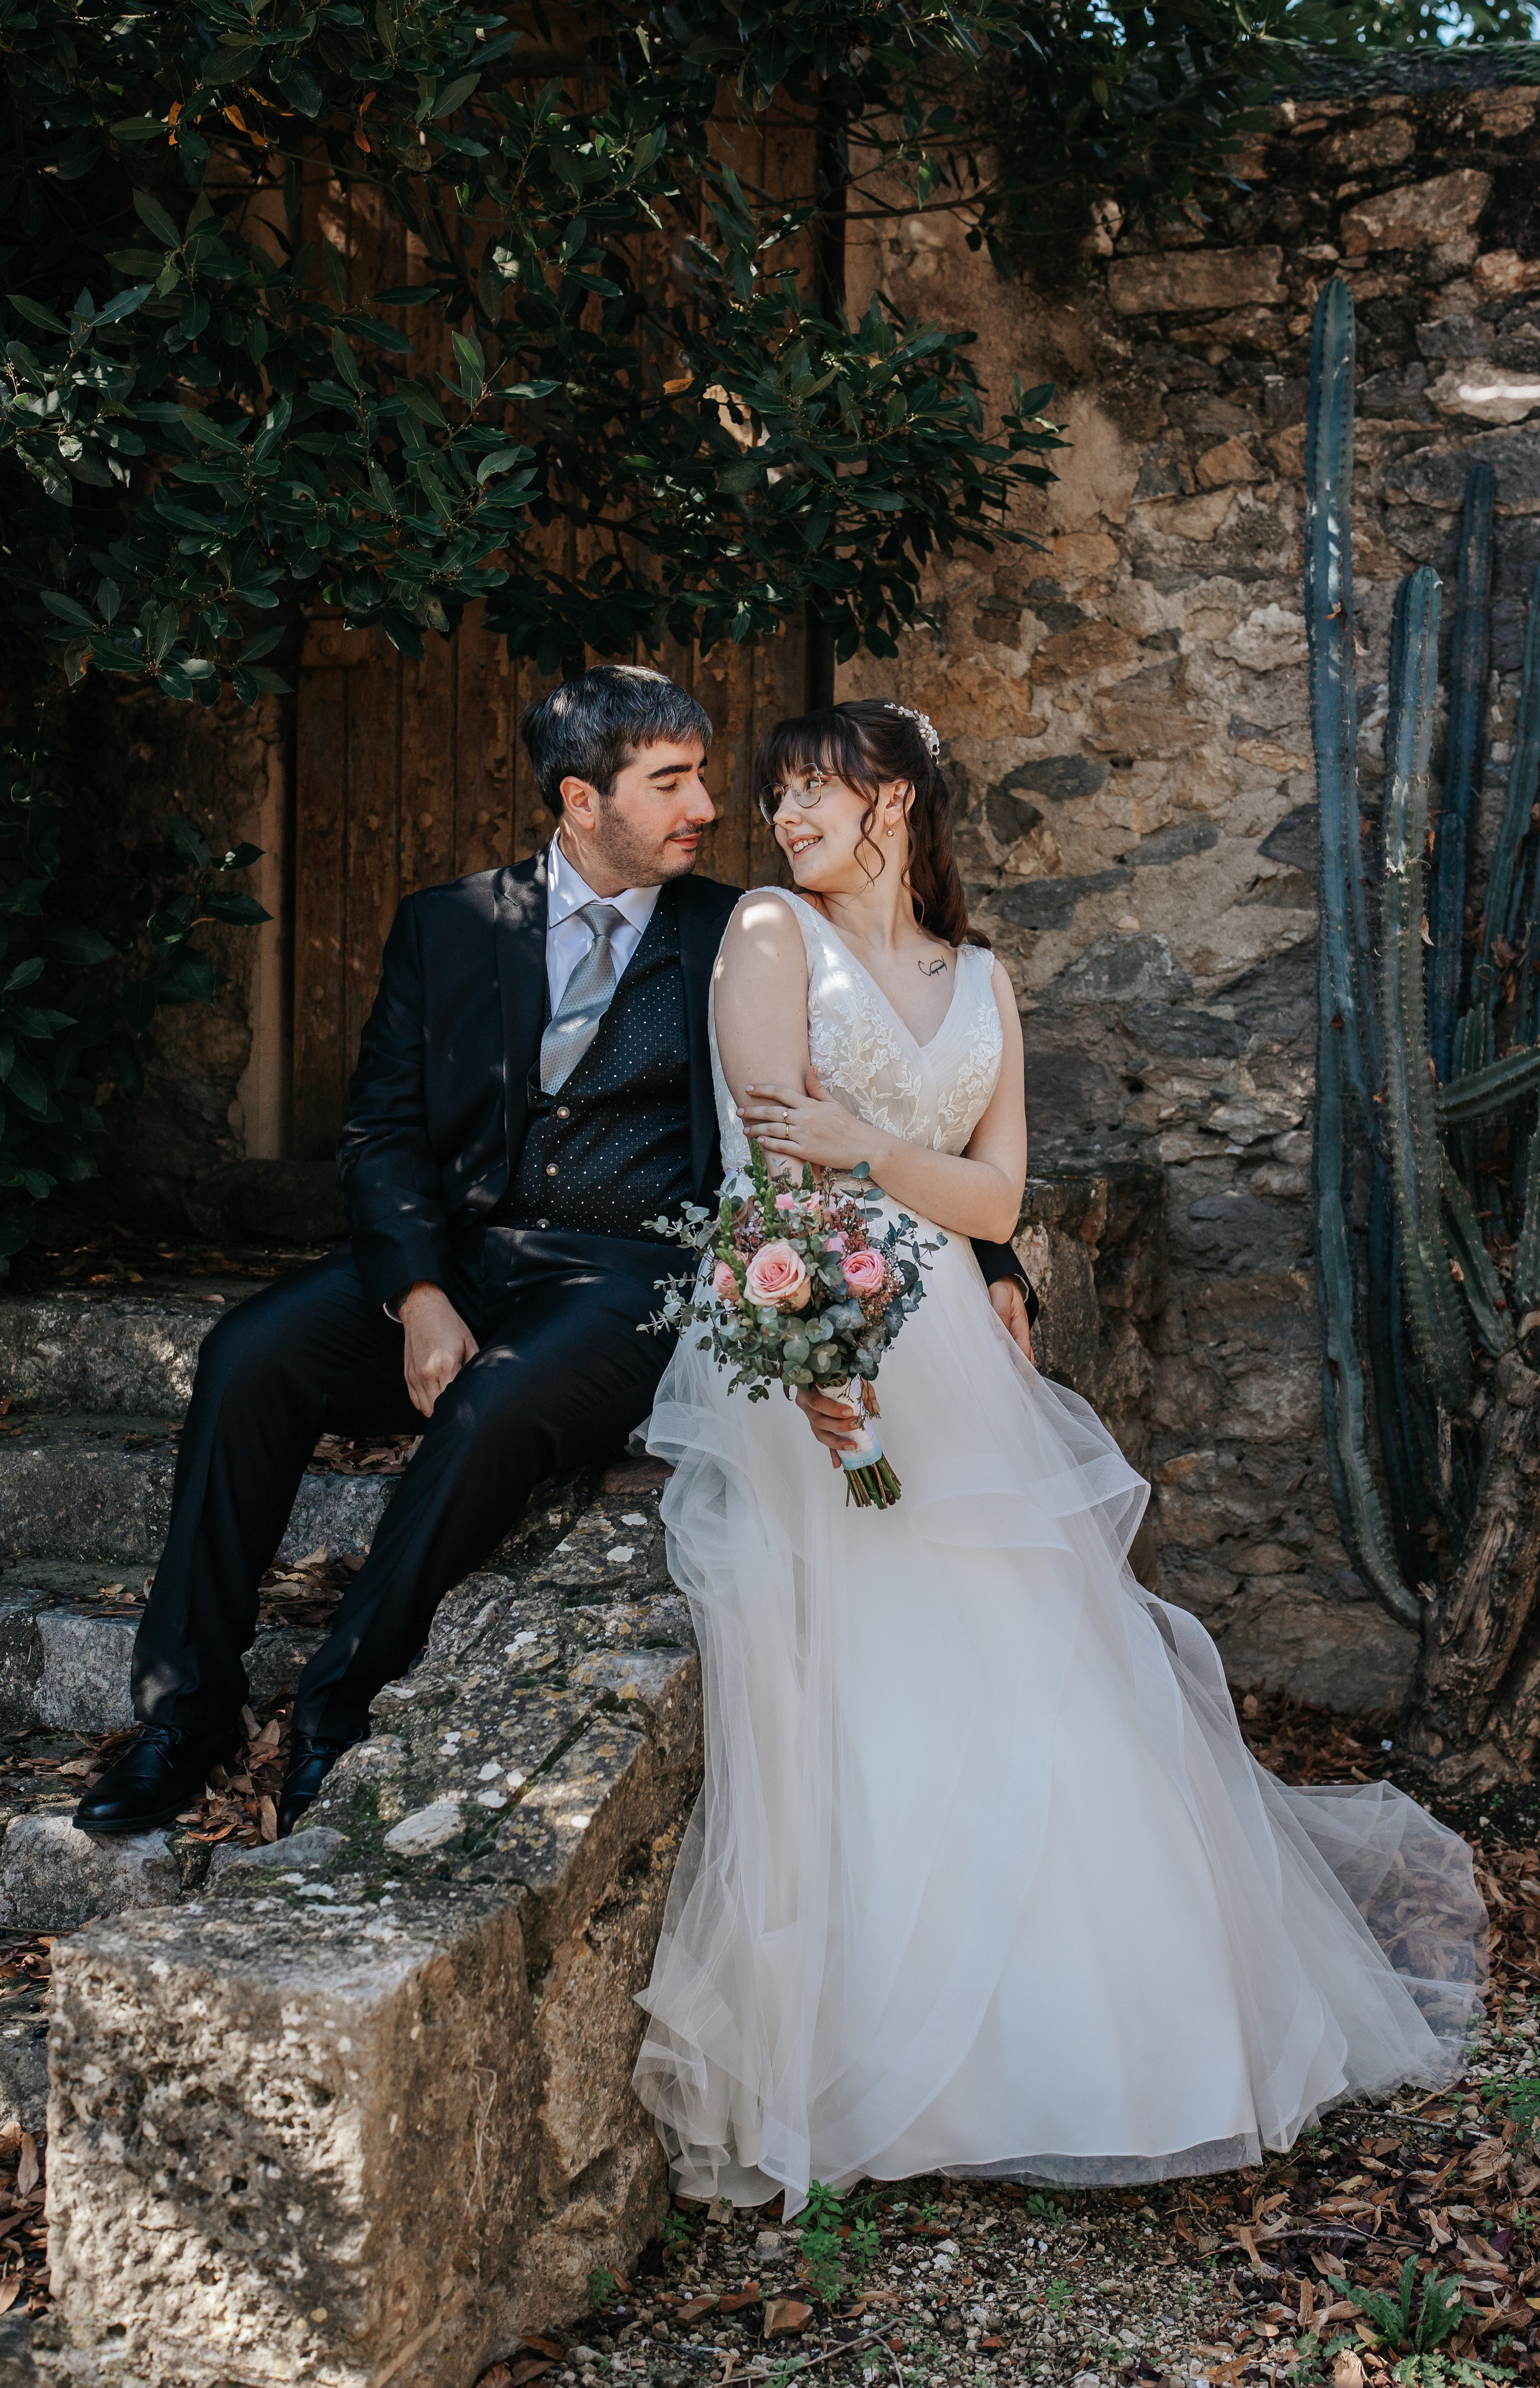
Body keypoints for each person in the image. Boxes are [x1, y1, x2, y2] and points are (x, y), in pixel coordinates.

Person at [632, 695, 1488, 2211]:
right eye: (776, 797)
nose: (784, 817)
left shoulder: (982, 978)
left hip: (952, 1338)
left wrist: (883, 1155)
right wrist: (819, 1357)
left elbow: (995, 1198)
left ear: (893, 801)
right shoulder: (768, 933)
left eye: (811, 791)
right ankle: (891, 2065)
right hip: (812, 1327)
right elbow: (772, 1165)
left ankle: (1106, 2048)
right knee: (873, 1669)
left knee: (1030, 1653)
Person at [78, 665, 1035, 1840]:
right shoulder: (448, 924)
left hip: (633, 1274)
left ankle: (339, 1701)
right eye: (671, 782)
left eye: (702, 777)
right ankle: (185, 1714)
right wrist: (422, 1292)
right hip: (470, 1254)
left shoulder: (741, 928)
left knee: (496, 1409)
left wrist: (994, 1266)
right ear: (582, 798)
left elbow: (889, 1094)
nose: (708, 808)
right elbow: (379, 1131)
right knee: (244, 1357)